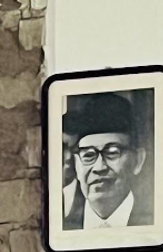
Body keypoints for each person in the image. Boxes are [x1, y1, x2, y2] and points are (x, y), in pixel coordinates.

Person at [62, 92, 151, 230]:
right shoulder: (64, 231)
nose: (99, 167)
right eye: (88, 155)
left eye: (112, 153)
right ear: (76, 163)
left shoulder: (152, 223)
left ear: (138, 161)